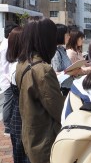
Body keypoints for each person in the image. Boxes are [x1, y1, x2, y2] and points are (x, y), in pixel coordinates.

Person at [15, 17, 65, 163]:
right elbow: (59, 111)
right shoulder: (42, 70)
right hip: (45, 142)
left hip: (31, 136)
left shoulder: (23, 63)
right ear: (46, 39)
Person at [6, 26, 30, 163]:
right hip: (22, 115)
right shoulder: (19, 66)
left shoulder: (14, 64)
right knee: (23, 154)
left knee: (19, 154)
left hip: (17, 115)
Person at [0, 22, 18, 136]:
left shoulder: (6, 43)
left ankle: (8, 124)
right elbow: (5, 65)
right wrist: (8, 78)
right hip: (7, 78)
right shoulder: (6, 45)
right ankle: (7, 125)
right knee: (8, 102)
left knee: (9, 102)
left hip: (8, 77)